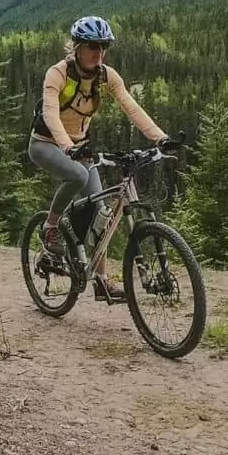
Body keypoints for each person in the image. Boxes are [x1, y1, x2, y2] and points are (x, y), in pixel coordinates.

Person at [28, 15, 170, 302]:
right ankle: (51, 225)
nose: (99, 52)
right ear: (77, 47)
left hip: (80, 147)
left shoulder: (107, 76)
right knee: (78, 175)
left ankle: (101, 282)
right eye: (93, 46)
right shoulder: (58, 73)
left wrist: (160, 137)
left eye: (103, 46)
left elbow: (131, 107)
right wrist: (67, 146)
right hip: (45, 143)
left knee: (102, 214)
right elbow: (50, 114)